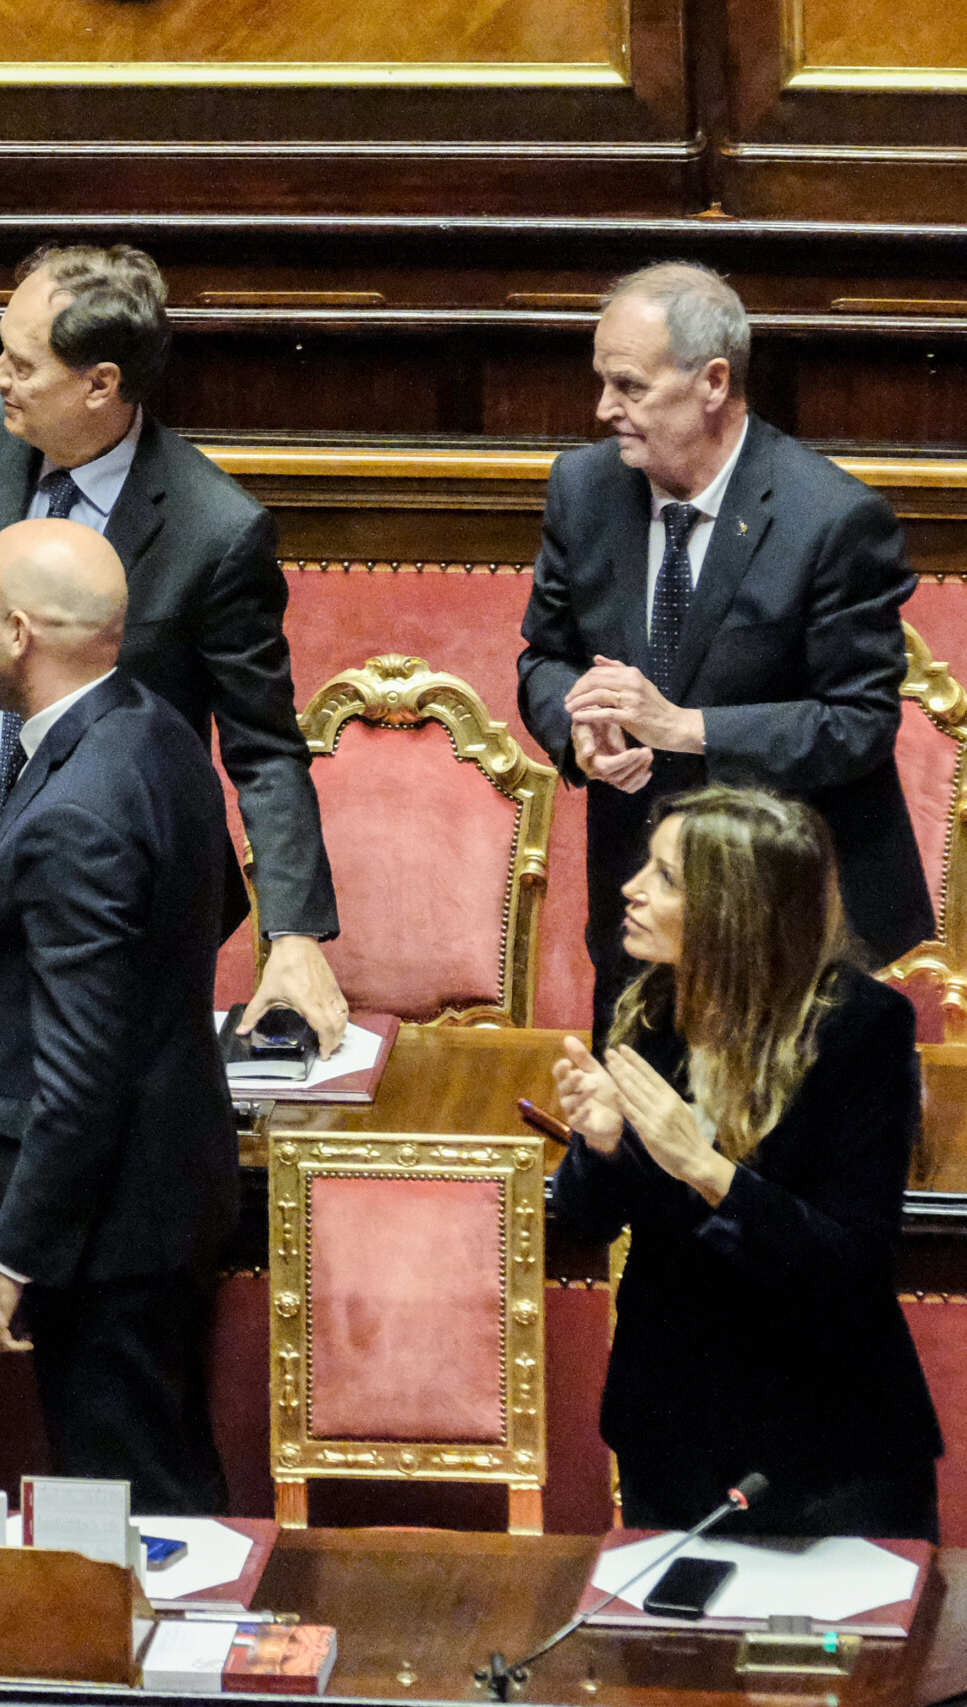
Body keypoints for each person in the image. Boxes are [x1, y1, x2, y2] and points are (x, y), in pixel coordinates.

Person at [0, 244, 345, 1044]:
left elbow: (264, 748)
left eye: (22, 365)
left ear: (100, 384)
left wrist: (294, 935)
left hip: (113, 885)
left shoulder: (214, 531)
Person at [0, 519, 243, 1512]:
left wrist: (10, 1256)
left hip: (102, 1231)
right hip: (167, 1182)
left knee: (136, 1501)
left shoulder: (78, 801)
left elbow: (77, 1080)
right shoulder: (151, 728)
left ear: (20, 632)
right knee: (159, 1466)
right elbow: (201, 912)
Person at [518, 262, 933, 1045]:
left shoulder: (832, 519)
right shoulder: (584, 488)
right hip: (639, 912)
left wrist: (689, 728)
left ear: (713, 381)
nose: (604, 408)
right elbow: (545, 656)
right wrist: (578, 727)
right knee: (633, 1152)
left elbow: (859, 722)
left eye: (629, 386)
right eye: (602, 382)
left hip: (788, 928)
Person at [550, 785, 942, 1539]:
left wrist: (706, 1168)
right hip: (669, 1439)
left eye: (665, 877)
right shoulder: (649, 1007)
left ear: (734, 909)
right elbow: (587, 1220)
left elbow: (852, 1267)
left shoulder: (861, 1032)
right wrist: (602, 1145)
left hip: (827, 1456)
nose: (630, 889)